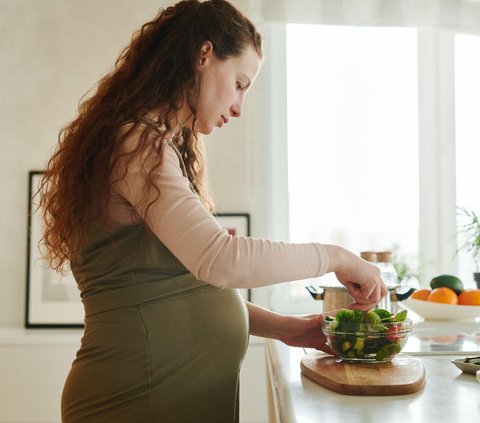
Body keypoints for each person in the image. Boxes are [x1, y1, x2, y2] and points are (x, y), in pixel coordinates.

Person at [39, 1, 388, 422]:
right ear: (203, 56)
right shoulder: (136, 145)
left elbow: (178, 288)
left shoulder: (153, 147)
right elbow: (221, 263)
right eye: (239, 83)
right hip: (134, 400)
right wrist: (338, 257)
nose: (240, 106)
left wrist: (290, 329)